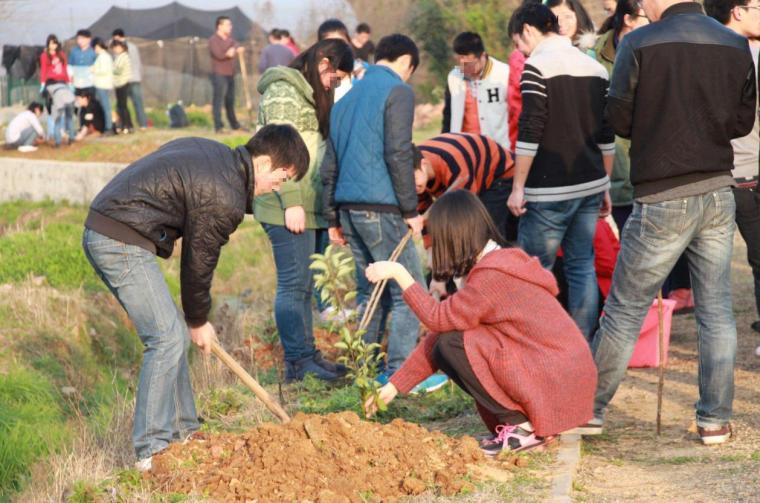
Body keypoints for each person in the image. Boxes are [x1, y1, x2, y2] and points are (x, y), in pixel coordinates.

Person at [82, 124, 309, 471]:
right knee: (166, 337)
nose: (275, 189)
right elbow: (198, 263)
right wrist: (199, 320)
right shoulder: (225, 195)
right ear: (263, 164)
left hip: (114, 226)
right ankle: (152, 449)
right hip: (119, 238)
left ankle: (186, 431)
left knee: (171, 333)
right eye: (279, 179)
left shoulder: (216, 155)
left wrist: (192, 319)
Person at [587, 0, 756, 446]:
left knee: (624, 310)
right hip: (719, 188)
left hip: (662, 192)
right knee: (717, 311)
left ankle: (588, 408)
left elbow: (618, 118)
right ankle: (714, 420)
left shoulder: (639, 42)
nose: (640, 5)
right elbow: (742, 122)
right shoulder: (734, 42)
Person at [363, 190, 597, 454]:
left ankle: (522, 430)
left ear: (454, 236)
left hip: (557, 378)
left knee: (453, 343)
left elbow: (438, 321)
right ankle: (520, 425)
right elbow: (439, 335)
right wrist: (394, 386)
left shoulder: (491, 276)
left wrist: (398, 273)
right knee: (449, 341)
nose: (434, 247)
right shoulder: (496, 264)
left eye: (437, 240)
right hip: (560, 373)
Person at [322, 34, 445, 393]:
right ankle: (402, 377)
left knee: (370, 290)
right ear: (407, 62)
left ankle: (365, 370)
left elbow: (329, 164)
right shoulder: (398, 92)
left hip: (348, 208)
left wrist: (333, 217)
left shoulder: (344, 99)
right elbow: (398, 153)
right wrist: (411, 209)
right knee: (409, 290)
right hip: (382, 207)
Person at [507, 4, 615, 341]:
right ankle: (581, 345)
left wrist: (518, 187)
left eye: (517, 42)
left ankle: (534, 342)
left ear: (527, 29)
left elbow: (530, 131)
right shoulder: (594, 67)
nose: (519, 51)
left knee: (533, 272)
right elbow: (606, 134)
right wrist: (605, 186)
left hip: (548, 189)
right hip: (589, 184)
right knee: (582, 265)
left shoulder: (536, 66)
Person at [255, 39, 354, 382]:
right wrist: (293, 200)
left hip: (308, 204)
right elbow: (279, 149)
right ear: (323, 62)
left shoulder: (311, 94)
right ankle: (297, 363)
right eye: (334, 77)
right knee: (292, 284)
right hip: (283, 203)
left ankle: (307, 355)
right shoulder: (283, 89)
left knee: (305, 286)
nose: (333, 85)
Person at [706, 0, 760, 342]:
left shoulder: (699, 51)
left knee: (712, 275)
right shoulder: (744, 56)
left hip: (709, 175)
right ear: (737, 11)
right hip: (744, 175)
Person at [593, 0, 650, 233]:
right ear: (628, 19)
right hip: (615, 176)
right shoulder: (593, 53)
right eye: (646, 18)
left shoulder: (657, 47)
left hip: (652, 175)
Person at [414, 133, 515, 248]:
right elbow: (424, 215)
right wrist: (430, 248)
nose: (411, 186)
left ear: (424, 165)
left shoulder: (454, 166)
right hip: (471, 178)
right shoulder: (411, 182)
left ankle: (502, 261)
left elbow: (465, 213)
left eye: (414, 178)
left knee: (486, 234)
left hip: (499, 174)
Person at [442, 32, 511, 152]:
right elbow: (448, 117)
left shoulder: (504, 74)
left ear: (482, 56)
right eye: (459, 60)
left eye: (468, 61)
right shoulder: (454, 77)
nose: (464, 66)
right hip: (465, 151)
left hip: (499, 150)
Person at [209, 16, 244, 133]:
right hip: (219, 74)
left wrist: (233, 49)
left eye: (230, 25)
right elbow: (219, 55)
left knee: (230, 100)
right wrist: (230, 52)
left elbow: (237, 45)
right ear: (220, 26)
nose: (230, 27)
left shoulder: (230, 40)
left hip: (230, 74)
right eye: (228, 25)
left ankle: (234, 124)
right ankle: (218, 126)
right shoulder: (213, 40)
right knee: (218, 100)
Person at [112, 29, 148, 130]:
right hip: (135, 78)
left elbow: (119, 67)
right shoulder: (133, 46)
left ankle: (124, 124)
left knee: (122, 104)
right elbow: (138, 63)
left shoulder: (120, 49)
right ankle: (142, 124)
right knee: (136, 102)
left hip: (126, 80)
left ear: (118, 37)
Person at [317, 19, 354, 100]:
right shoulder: (314, 80)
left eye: (341, 43)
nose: (337, 49)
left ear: (349, 43)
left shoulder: (361, 76)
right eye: (330, 44)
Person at [91, 38, 114, 135]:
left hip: (103, 85)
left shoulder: (104, 57)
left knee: (106, 107)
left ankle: (109, 128)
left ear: (97, 46)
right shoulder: (101, 56)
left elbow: (105, 70)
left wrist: (93, 70)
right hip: (101, 84)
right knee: (104, 107)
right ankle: (105, 127)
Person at [46, 82, 76, 146]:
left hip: (59, 99)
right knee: (69, 119)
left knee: (57, 121)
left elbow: (48, 101)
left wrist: (50, 112)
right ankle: (71, 139)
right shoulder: (64, 84)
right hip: (70, 98)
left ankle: (58, 142)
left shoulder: (49, 87)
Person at [69, 29, 96, 96]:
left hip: (90, 83)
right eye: (78, 39)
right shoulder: (74, 51)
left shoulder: (93, 51)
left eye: (82, 39)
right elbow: (70, 65)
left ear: (89, 39)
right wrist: (70, 78)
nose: (80, 41)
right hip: (77, 82)